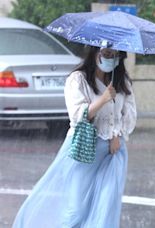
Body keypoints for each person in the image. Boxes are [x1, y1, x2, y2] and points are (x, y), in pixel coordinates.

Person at [12, 46, 137, 228]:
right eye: (108, 54)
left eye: (117, 56)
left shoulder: (122, 81)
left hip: (113, 150)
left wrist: (116, 133)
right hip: (83, 149)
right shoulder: (77, 79)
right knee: (76, 209)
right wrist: (102, 99)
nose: (112, 59)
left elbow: (130, 114)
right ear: (95, 53)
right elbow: (78, 116)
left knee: (106, 207)